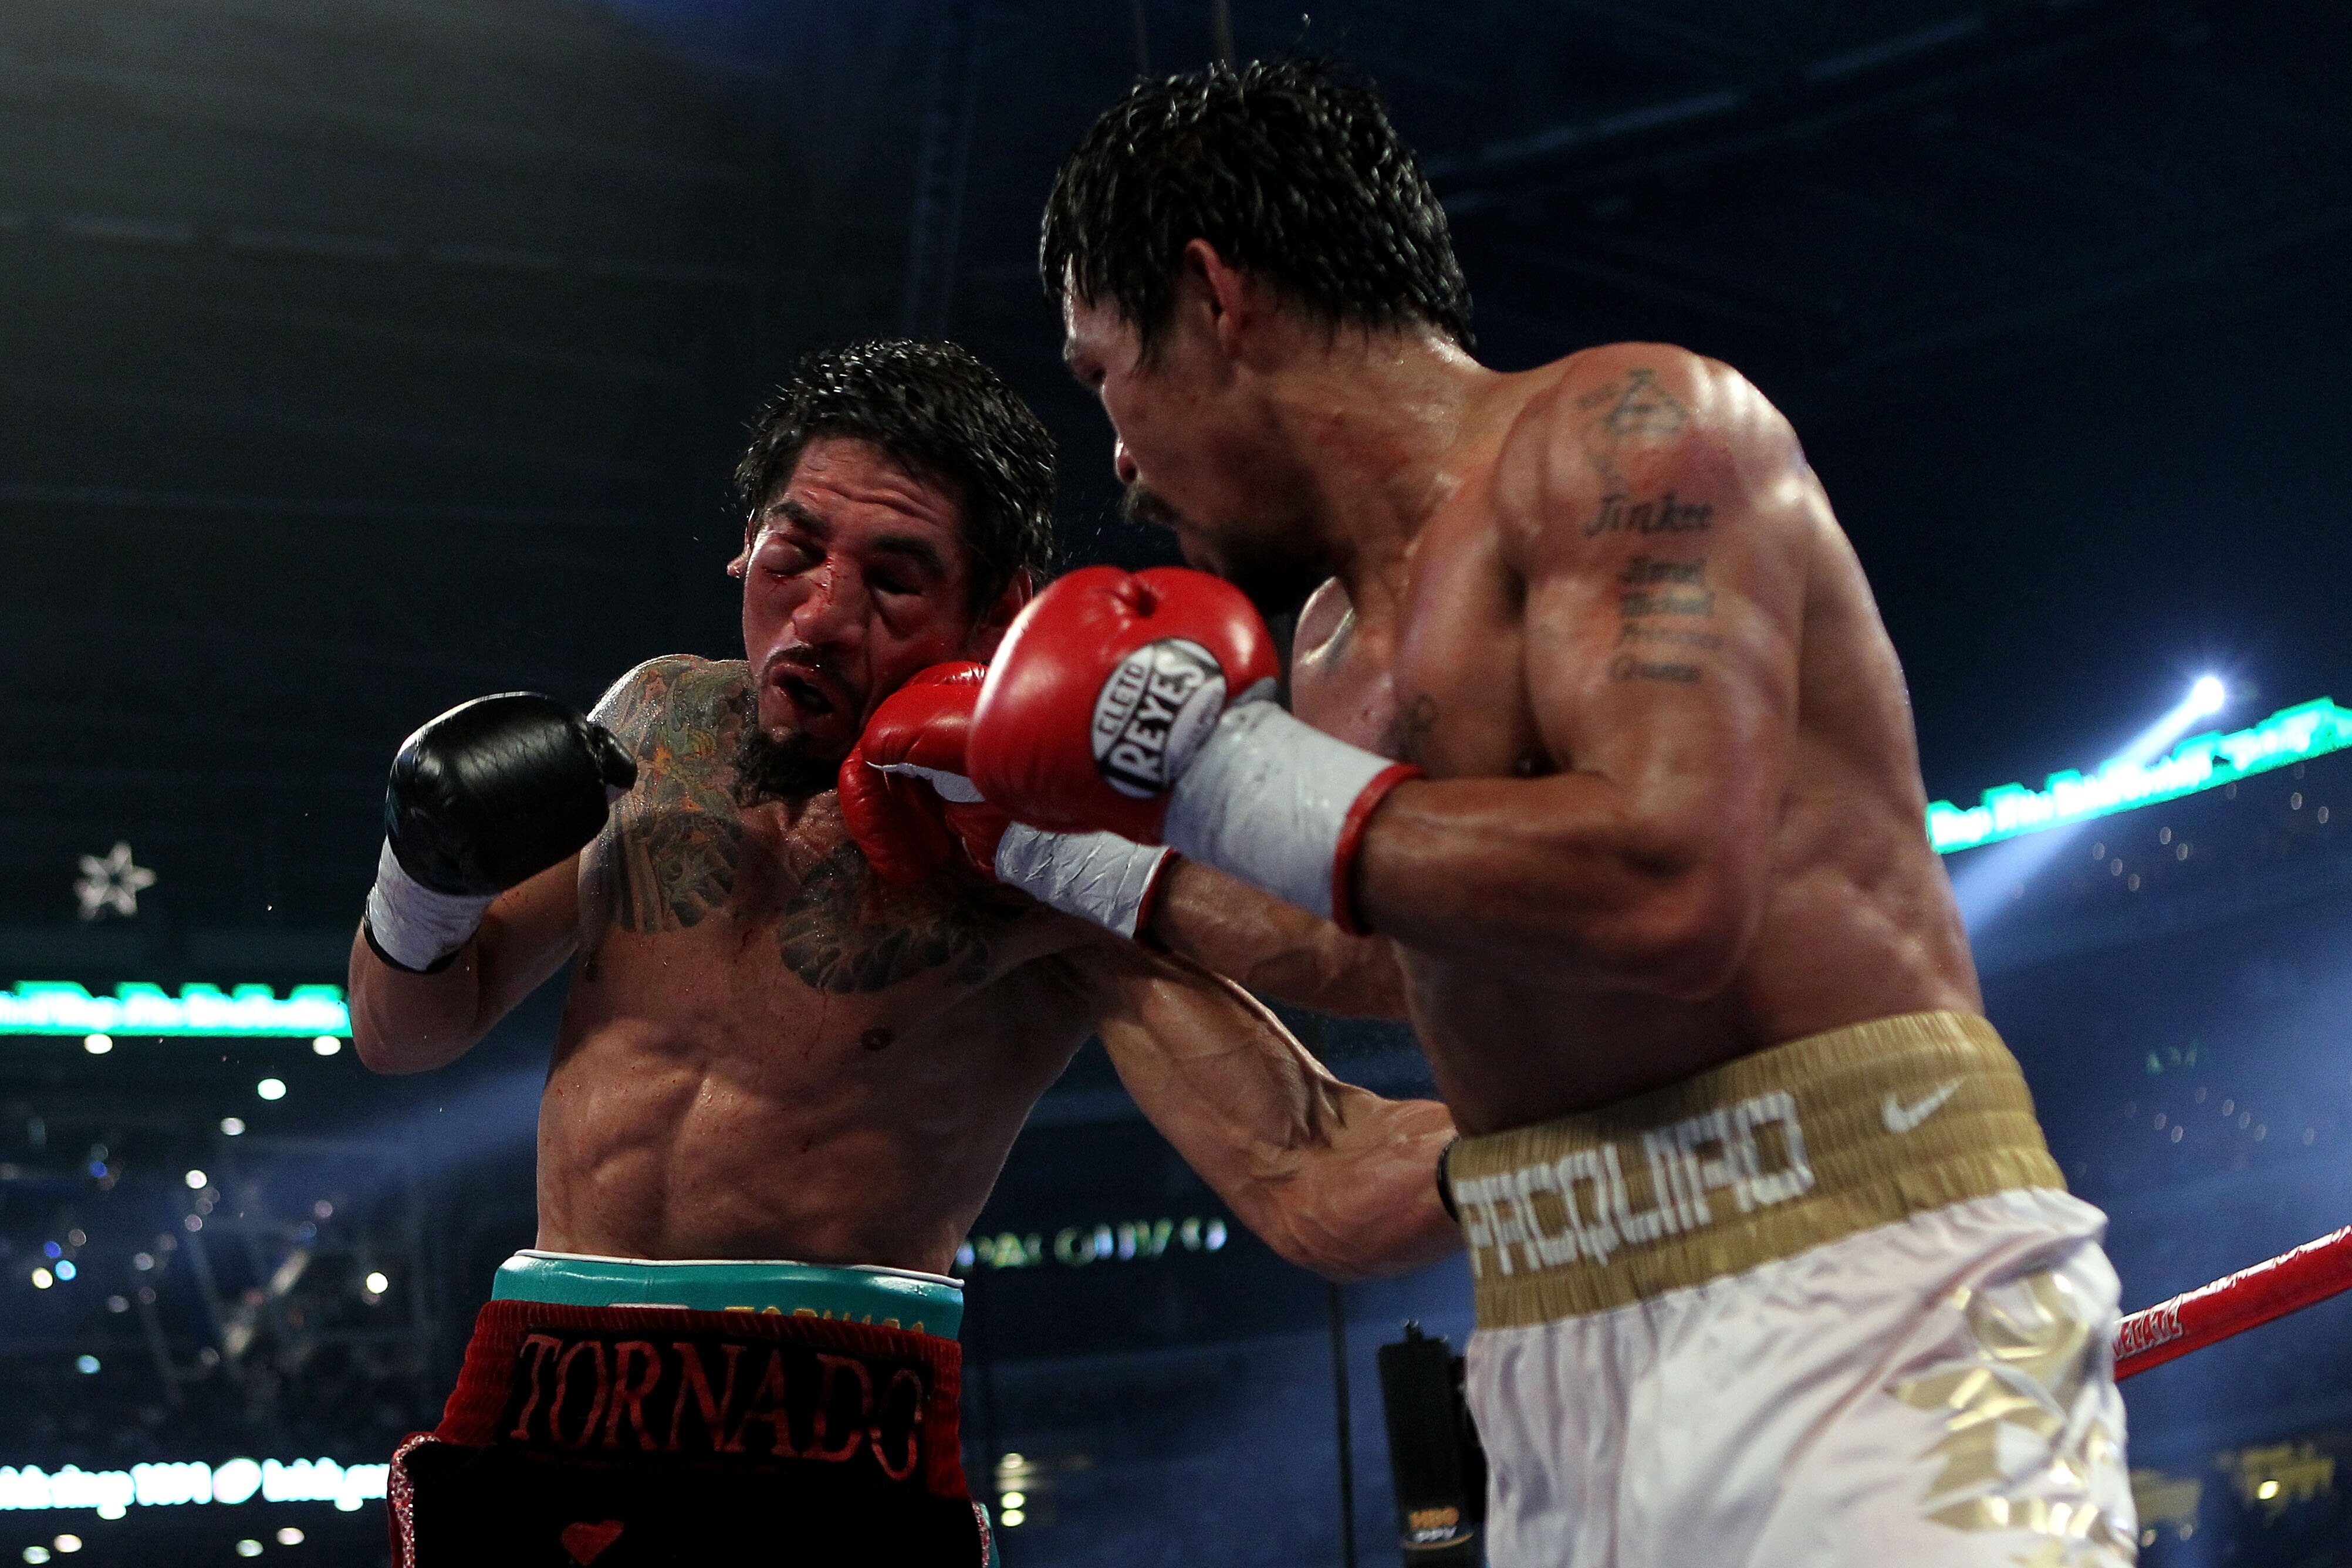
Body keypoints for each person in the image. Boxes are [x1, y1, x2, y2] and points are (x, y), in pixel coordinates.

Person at [863, 62, 2138, 1567]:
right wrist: (1036, 840)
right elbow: (1381, 936)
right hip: (1555, 1334)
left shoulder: (1631, 433)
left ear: (1213, 296)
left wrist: (1203, 770)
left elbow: (1669, 887)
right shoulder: (1333, 644)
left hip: (1857, 1269)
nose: (1123, 457)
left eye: (1101, 375)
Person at [348, 339, 1459, 1567]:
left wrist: (1621, 1127)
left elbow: (1315, 1159)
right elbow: (405, 1033)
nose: (820, 616)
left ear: (996, 608)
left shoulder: (1050, 848)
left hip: (830, 1436)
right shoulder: (656, 723)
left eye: (894, 579)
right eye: (795, 553)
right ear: (745, 548)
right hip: (538, 1408)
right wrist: (420, 879)